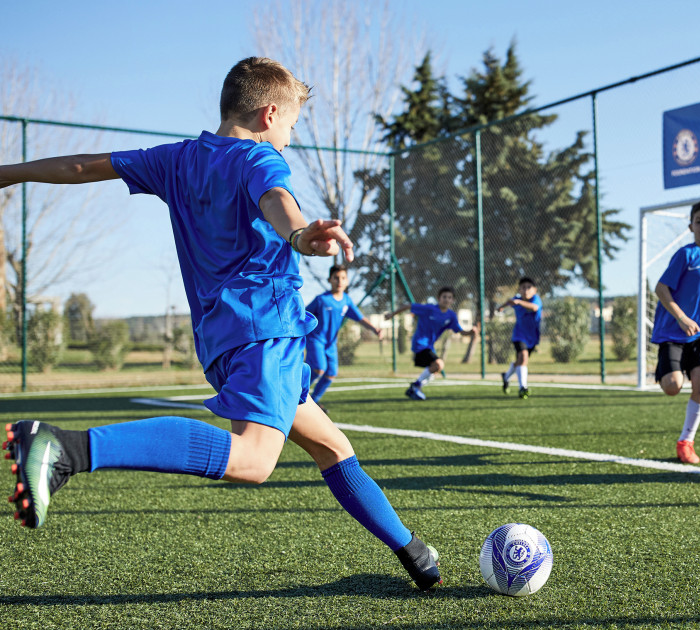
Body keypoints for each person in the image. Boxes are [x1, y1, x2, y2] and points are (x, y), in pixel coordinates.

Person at [0, 58, 440, 590]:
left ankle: (415, 553)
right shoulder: (259, 157)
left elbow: (80, 167)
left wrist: (8, 173)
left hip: (222, 339)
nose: (289, 138)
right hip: (266, 329)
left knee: (332, 446)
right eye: (292, 125)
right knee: (254, 461)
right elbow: (277, 199)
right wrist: (300, 236)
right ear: (269, 113)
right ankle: (66, 449)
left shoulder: (175, 159)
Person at [651, 200, 700, 464]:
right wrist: (682, 318)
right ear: (690, 227)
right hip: (674, 331)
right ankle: (665, 370)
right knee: (673, 387)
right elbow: (661, 288)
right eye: (698, 221)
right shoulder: (686, 255)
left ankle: (686, 441)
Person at [305, 264, 386, 409]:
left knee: (331, 373)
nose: (339, 281)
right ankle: (297, 394)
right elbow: (304, 315)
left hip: (331, 343)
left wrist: (375, 329)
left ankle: (314, 401)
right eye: (336, 278)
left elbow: (360, 318)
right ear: (329, 280)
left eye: (343, 278)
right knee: (319, 368)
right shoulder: (321, 300)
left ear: (347, 281)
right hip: (316, 340)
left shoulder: (346, 301)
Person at [386, 287, 479, 401]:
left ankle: (415, 388)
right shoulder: (429, 309)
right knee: (439, 364)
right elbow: (408, 306)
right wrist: (391, 315)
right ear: (438, 298)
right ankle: (416, 385)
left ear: (453, 300)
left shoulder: (451, 316)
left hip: (429, 346)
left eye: (449, 297)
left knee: (434, 370)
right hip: (420, 343)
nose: (446, 299)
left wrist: (471, 332)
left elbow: (460, 331)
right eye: (444, 297)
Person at [496, 277, 542, 399]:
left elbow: (534, 308)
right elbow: (509, 301)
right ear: (519, 290)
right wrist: (501, 307)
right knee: (523, 357)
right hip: (519, 335)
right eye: (523, 287)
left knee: (520, 361)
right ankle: (523, 388)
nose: (526, 290)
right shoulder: (516, 299)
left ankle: (506, 376)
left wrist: (519, 302)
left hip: (532, 337)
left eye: (529, 287)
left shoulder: (535, 299)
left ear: (534, 290)